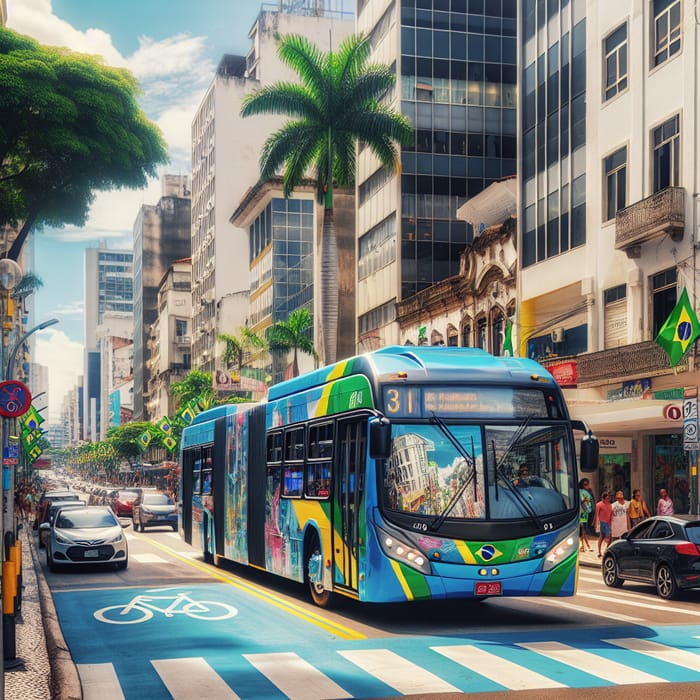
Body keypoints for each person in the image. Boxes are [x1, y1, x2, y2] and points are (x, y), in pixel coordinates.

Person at [595, 491, 613, 557]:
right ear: (603, 499)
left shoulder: (610, 505)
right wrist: (596, 523)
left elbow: (611, 514)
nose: (608, 500)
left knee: (605, 537)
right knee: (605, 537)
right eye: (607, 498)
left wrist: (610, 523)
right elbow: (596, 514)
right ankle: (600, 551)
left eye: (609, 498)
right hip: (602, 522)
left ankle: (605, 550)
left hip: (608, 523)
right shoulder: (599, 505)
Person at [578, 479, 593, 552]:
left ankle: (584, 545)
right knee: (582, 531)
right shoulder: (581, 492)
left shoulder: (587, 493)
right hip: (581, 514)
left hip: (584, 514)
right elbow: (583, 503)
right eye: (585, 484)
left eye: (587, 484)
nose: (587, 486)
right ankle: (584, 545)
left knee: (583, 531)